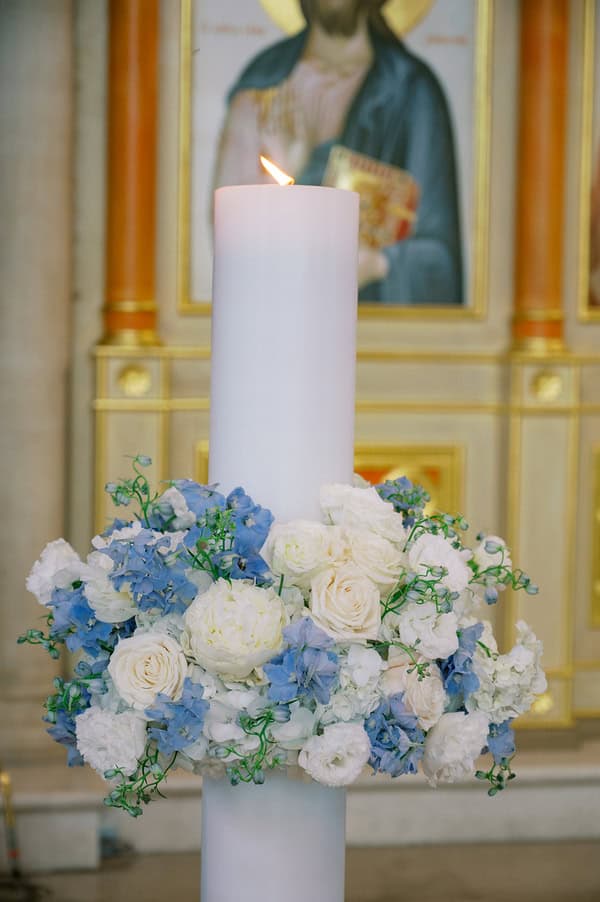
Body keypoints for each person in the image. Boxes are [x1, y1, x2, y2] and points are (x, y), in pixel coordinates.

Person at [213, 0, 463, 305]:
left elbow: (439, 258)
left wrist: (377, 264)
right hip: (285, 317)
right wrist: (290, 167)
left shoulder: (411, 90)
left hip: (382, 334)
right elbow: (233, 249)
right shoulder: (261, 86)